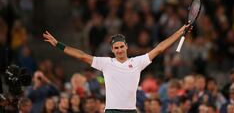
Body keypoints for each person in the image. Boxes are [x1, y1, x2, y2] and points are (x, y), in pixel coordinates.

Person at [43, 24, 191, 113]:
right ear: (112, 50)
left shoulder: (137, 62)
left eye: (121, 46)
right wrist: (58, 44)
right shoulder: (106, 63)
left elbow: (159, 49)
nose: (119, 50)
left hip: (131, 111)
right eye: (116, 48)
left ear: (126, 46)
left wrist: (180, 32)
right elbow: (81, 55)